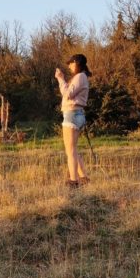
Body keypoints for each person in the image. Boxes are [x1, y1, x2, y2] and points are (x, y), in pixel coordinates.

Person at [54, 54, 91, 187]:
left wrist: (60, 79)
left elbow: (68, 94)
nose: (69, 66)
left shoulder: (80, 77)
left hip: (72, 114)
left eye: (70, 63)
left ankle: (73, 182)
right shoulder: (82, 77)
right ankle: (84, 178)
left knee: (70, 151)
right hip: (77, 114)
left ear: (76, 63)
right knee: (73, 149)